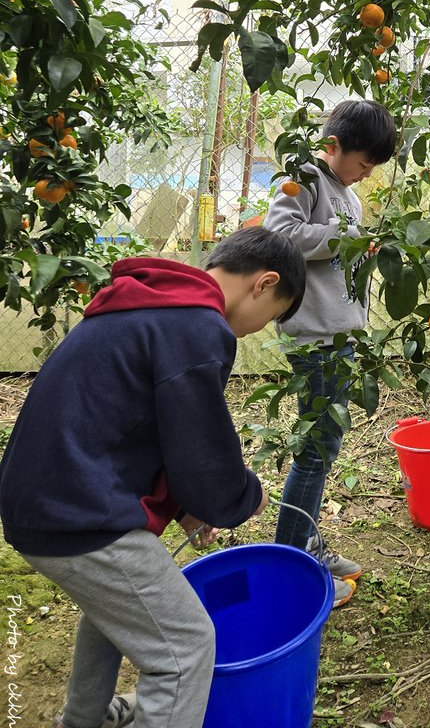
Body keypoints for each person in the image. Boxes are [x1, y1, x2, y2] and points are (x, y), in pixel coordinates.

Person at [0, 227, 305, 728]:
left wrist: (186, 507)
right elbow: (203, 449)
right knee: (185, 648)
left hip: (46, 496)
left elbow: (149, 424)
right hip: (77, 512)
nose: (255, 330)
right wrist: (240, 497)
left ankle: (84, 718)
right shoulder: (197, 326)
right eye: (270, 317)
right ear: (264, 283)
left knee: (118, 605)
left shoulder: (152, 303)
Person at [264, 98, 396, 608]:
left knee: (324, 448)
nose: (366, 175)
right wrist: (350, 236)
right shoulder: (304, 177)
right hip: (314, 338)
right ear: (333, 145)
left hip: (340, 338)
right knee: (316, 451)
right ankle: (291, 563)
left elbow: (342, 251)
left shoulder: (347, 196)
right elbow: (282, 237)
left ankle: (306, 544)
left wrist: (366, 245)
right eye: (363, 164)